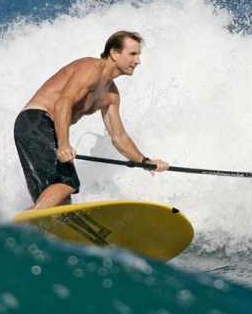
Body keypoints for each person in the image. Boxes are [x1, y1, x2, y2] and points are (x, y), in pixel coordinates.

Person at [14, 30, 169, 209]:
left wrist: (145, 162)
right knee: (67, 183)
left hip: (44, 129)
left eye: (138, 55)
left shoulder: (111, 95)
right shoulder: (91, 68)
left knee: (60, 203)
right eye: (132, 54)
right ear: (114, 53)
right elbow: (63, 102)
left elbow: (119, 137)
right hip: (36, 121)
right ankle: (25, 222)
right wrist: (64, 145)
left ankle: (22, 227)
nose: (138, 60)